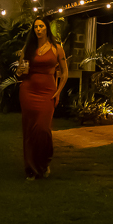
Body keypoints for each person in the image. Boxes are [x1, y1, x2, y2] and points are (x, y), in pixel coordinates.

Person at [18, 17, 69, 180]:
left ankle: (44, 162)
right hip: (28, 90)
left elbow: (64, 72)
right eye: (36, 27)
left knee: (43, 129)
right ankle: (31, 169)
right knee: (29, 129)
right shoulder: (29, 47)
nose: (38, 29)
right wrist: (20, 71)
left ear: (47, 28)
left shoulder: (56, 48)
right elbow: (21, 70)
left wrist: (58, 91)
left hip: (47, 91)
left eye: (41, 26)